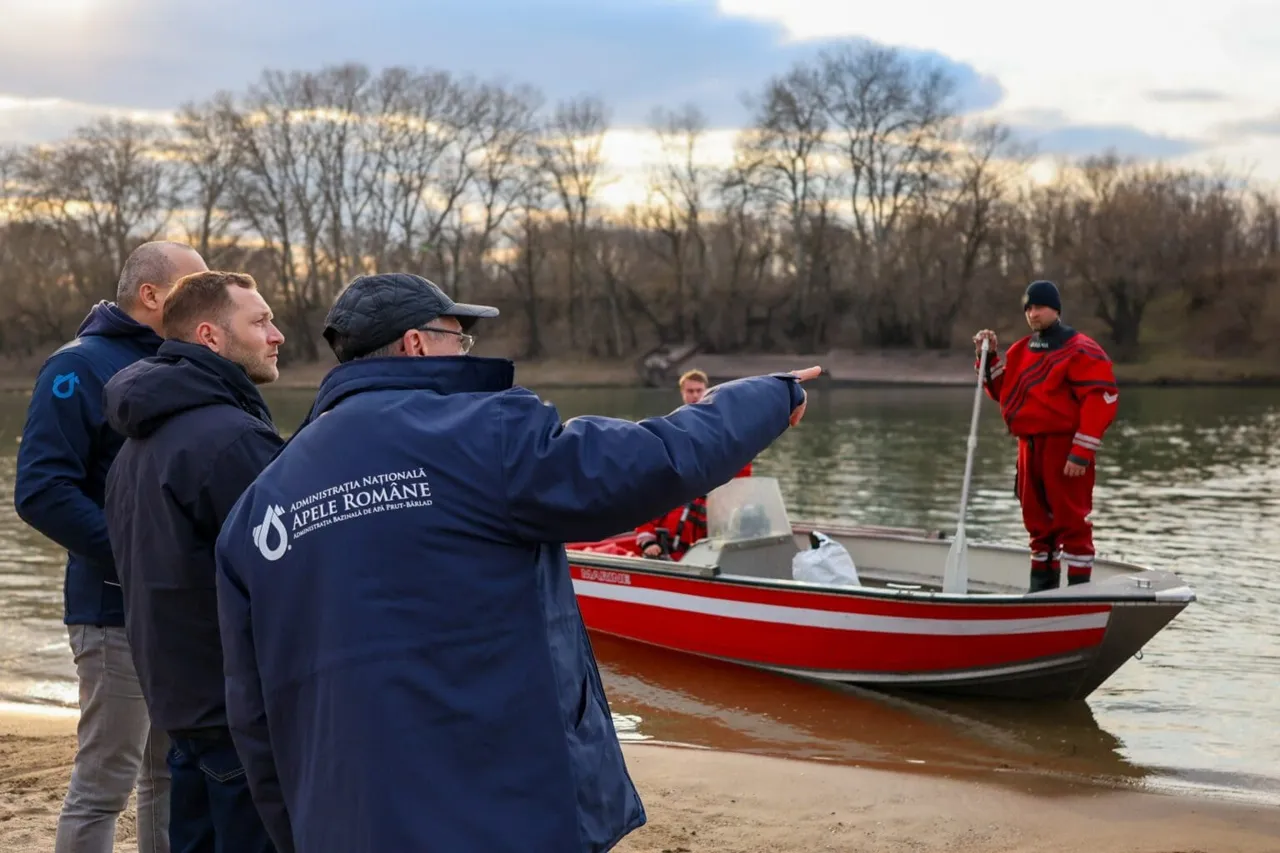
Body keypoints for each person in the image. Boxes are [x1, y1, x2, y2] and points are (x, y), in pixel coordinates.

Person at [212, 272, 820, 853]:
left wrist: (304, 836)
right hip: (500, 814)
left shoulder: (262, 506)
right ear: (417, 344)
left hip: (345, 825)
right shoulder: (487, 435)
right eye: (459, 336)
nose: (467, 349)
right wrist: (764, 398)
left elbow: (254, 719)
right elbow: (652, 462)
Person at [14, 240, 207, 853]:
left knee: (171, 774)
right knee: (105, 783)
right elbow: (42, 490)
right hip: (111, 611)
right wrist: (138, 552)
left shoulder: (185, 365)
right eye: (192, 285)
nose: (208, 296)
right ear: (151, 295)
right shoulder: (76, 367)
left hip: (178, 610)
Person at [102, 270, 286, 851]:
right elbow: (287, 577)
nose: (276, 334)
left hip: (182, 704)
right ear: (209, 336)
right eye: (259, 322)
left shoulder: (139, 442)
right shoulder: (230, 441)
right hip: (239, 714)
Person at [973, 279, 1119, 592]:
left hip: (1063, 446)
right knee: (1038, 525)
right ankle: (1042, 594)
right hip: (1028, 448)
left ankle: (1079, 595)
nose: (1033, 314)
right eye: (1028, 308)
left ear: (1056, 309)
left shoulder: (1081, 349)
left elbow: (1101, 398)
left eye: (1039, 307)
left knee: (1071, 523)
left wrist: (1082, 451)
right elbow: (1004, 392)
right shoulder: (1022, 350)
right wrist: (987, 357)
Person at [635, 369, 753, 560]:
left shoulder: (725, 432)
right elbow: (656, 484)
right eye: (690, 391)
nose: (695, 395)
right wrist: (648, 538)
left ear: (707, 391)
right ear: (682, 393)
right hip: (680, 511)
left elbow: (741, 483)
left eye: (699, 390)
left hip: (714, 512)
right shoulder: (671, 430)